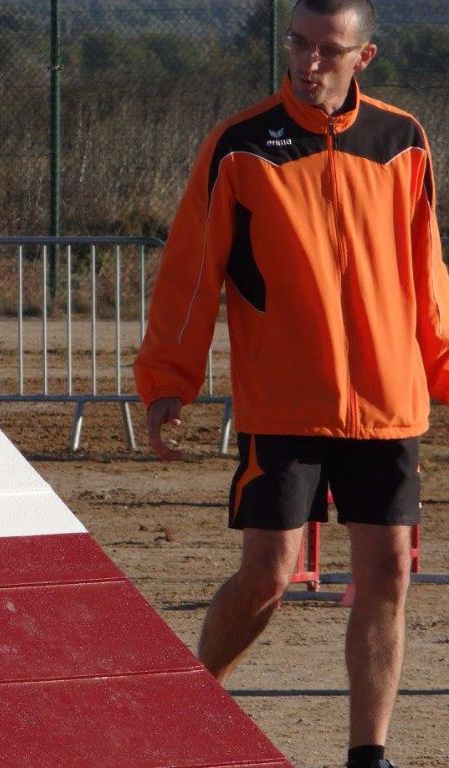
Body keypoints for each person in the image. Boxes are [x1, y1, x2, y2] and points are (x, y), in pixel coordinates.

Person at [133, 2, 449, 767]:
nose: (308, 63)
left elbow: (426, 272)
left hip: (386, 406)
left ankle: (367, 755)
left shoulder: (402, 139)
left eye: (327, 49)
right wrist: (168, 378)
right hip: (285, 404)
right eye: (298, 45)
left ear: (363, 57)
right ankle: (188, 706)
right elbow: (191, 273)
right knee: (267, 579)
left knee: (384, 579)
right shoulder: (241, 145)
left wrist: (442, 366)